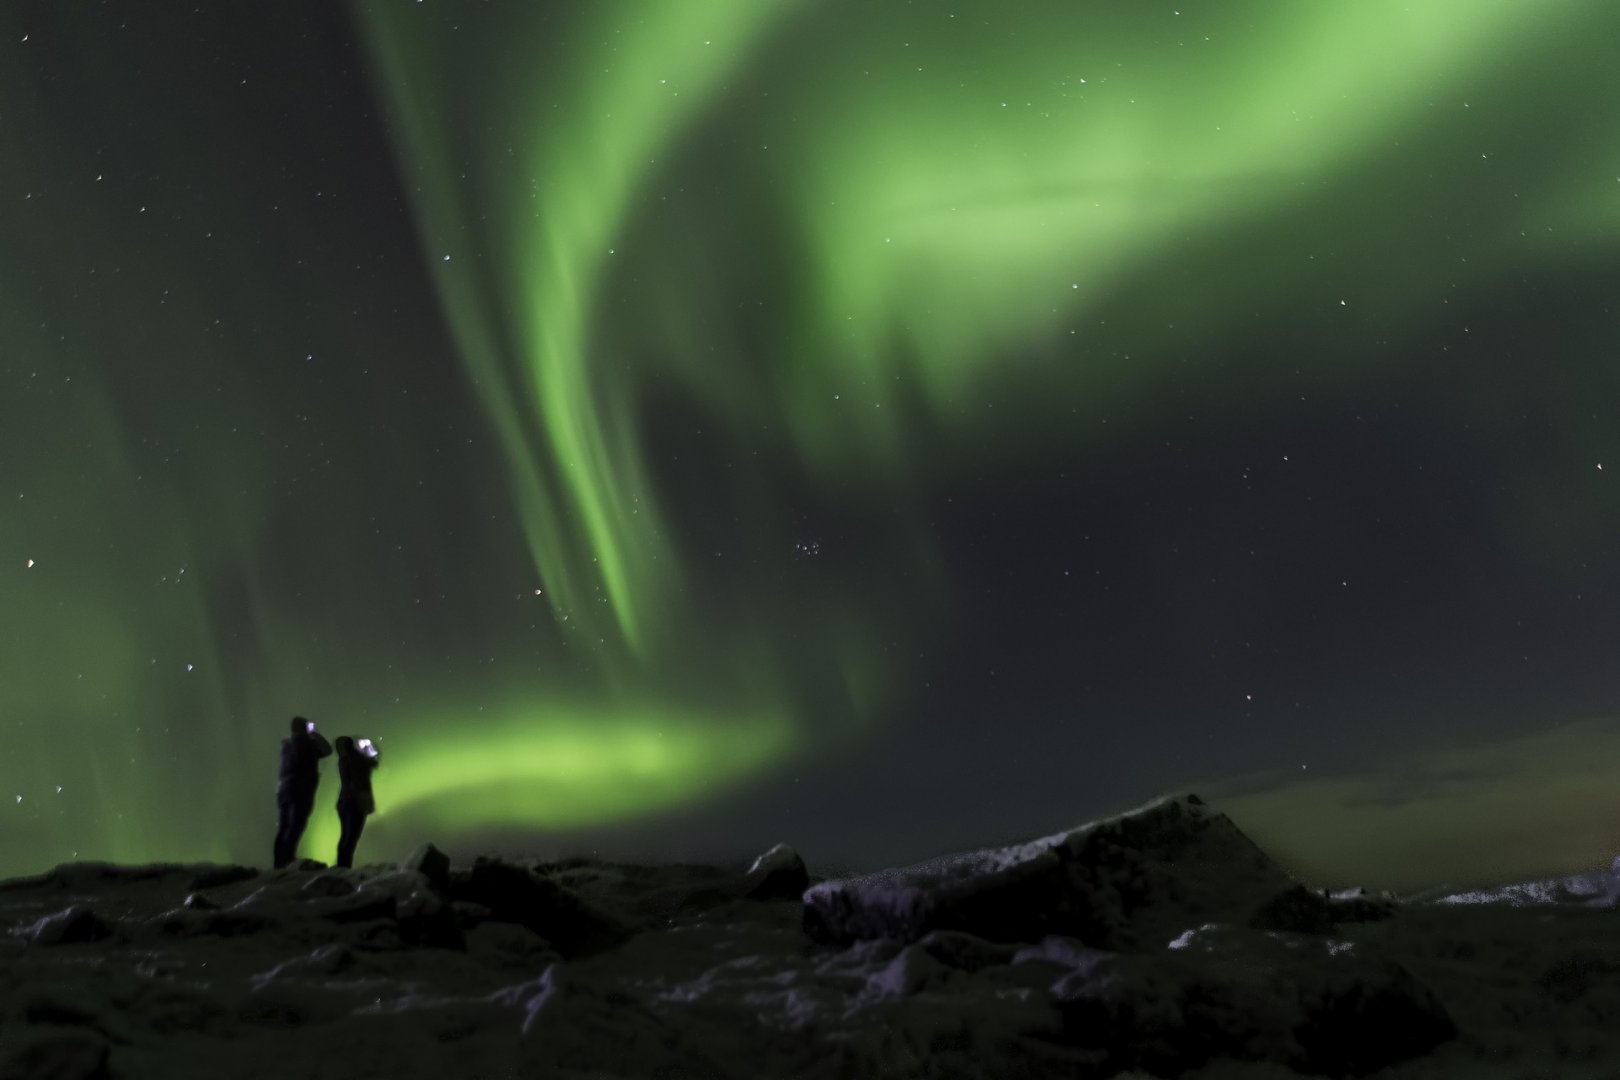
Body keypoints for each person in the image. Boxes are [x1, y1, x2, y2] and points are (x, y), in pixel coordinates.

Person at [273, 716, 332, 868]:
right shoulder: (308, 744)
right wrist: (315, 734)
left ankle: (279, 863)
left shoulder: (286, 745)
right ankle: (288, 860)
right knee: (297, 824)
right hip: (301, 789)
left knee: (284, 826)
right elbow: (327, 750)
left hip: (284, 789)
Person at [334, 735, 380, 869]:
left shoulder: (343, 760)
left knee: (345, 837)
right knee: (351, 838)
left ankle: (342, 866)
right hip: (356, 803)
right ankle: (344, 866)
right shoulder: (358, 759)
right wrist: (369, 747)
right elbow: (374, 762)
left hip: (345, 802)